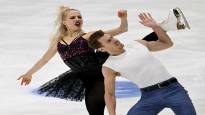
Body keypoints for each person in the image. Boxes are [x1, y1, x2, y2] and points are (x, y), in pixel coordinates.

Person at [17, 6, 128, 115]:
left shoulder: (88, 36)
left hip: (100, 77)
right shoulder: (58, 43)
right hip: (87, 82)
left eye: (79, 17)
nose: (77, 19)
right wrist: (29, 73)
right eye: (73, 17)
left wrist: (123, 18)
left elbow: (122, 29)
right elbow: (44, 59)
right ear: (64, 22)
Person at [88, 8, 196, 115]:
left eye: (112, 37)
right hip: (149, 96)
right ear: (101, 48)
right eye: (109, 41)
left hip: (173, 90)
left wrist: (155, 26)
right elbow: (109, 94)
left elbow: (167, 44)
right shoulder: (109, 67)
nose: (115, 40)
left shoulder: (137, 44)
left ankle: (171, 24)